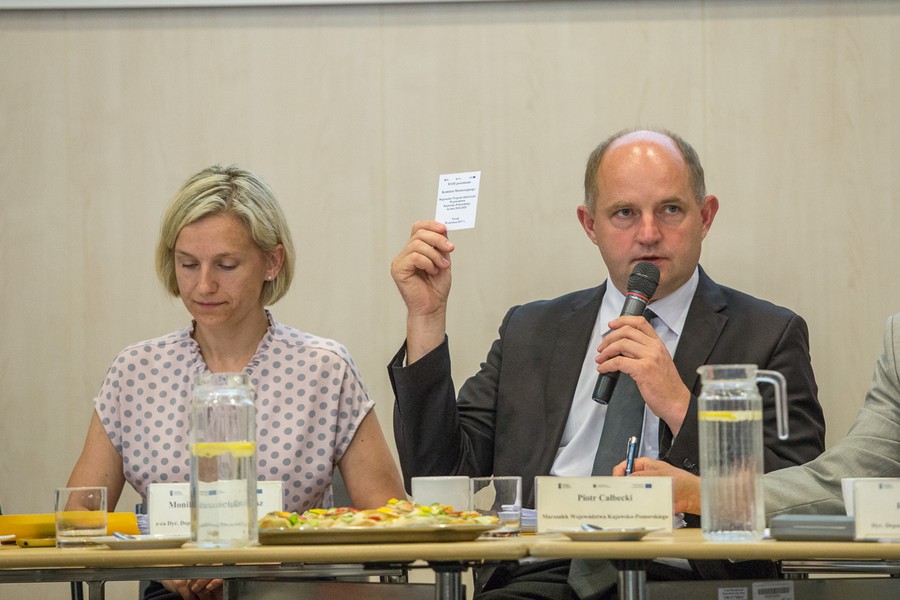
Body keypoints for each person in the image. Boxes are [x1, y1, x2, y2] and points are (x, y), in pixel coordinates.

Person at [388, 128, 826, 599]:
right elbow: (439, 475)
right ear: (590, 225)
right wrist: (425, 320)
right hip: (543, 572)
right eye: (624, 213)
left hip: (689, 575)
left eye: (670, 209)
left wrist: (679, 404)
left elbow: (799, 495)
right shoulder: (531, 330)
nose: (648, 233)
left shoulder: (767, 333)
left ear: (706, 216)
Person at [66, 165, 405, 600]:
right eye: (188, 264)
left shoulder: (325, 368)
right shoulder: (135, 371)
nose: (204, 285)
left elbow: (391, 520)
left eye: (226, 265)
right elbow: (79, 520)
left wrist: (280, 554)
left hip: (291, 591)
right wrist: (158, 561)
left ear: (272, 262)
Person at [619, 312, 900, 518]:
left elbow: (806, 475)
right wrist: (700, 494)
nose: (647, 246)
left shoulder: (773, 330)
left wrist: (679, 407)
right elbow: (852, 476)